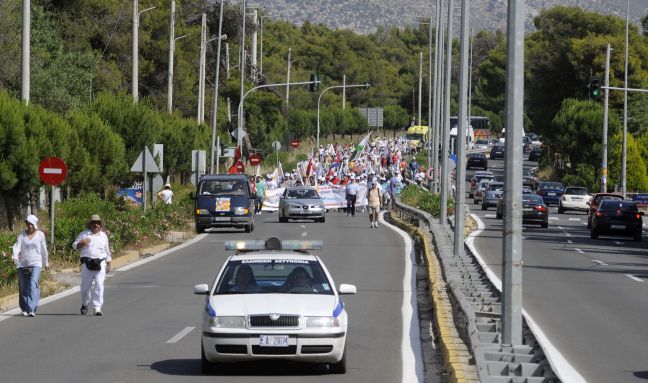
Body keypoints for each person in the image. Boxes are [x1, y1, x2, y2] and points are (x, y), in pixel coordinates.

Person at [73, 214, 112, 316]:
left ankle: (97, 307)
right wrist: (81, 243)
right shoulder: (84, 234)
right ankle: (85, 303)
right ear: (90, 224)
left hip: (100, 263)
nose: (96, 225)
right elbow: (74, 245)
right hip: (87, 263)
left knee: (99, 284)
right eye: (94, 223)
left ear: (100, 224)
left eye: (98, 223)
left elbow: (107, 250)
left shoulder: (104, 236)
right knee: (85, 287)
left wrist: (109, 262)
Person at [10, 215, 48, 317]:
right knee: (23, 287)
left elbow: (44, 250)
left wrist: (46, 262)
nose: (29, 226)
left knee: (32, 284)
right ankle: (24, 308)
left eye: (31, 224)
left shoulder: (40, 235)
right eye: (28, 223)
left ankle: (31, 308)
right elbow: (17, 247)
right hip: (22, 264)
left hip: (36, 263)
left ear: (35, 224)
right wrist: (15, 258)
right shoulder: (22, 234)